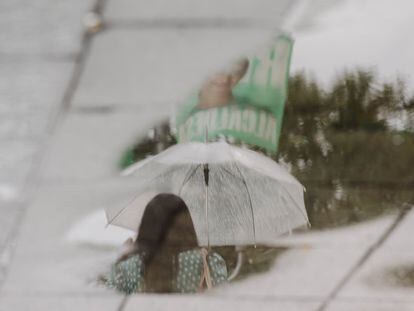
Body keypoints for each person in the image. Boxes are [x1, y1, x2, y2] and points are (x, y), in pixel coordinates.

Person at [101, 193, 228, 294]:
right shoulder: (211, 263)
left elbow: (109, 301)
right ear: (188, 225)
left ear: (147, 228)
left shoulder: (128, 268)